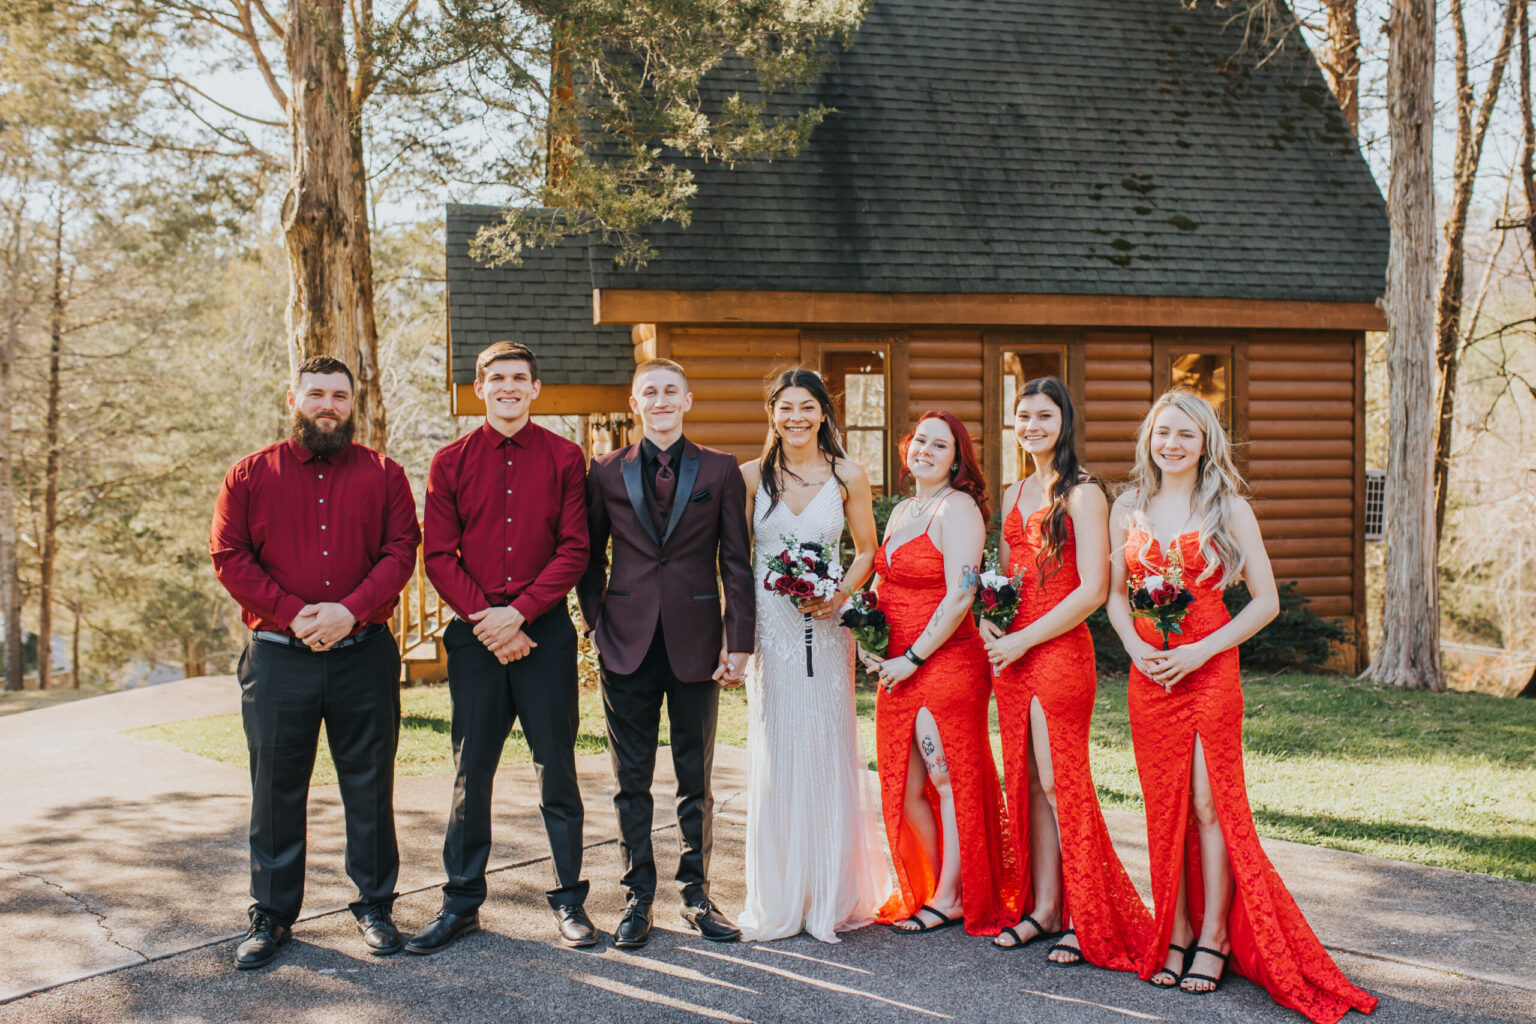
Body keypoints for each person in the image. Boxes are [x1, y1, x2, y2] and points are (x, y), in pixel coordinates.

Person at [1106, 389, 1377, 1022]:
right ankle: (1172, 931)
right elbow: (1115, 595)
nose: (1172, 444)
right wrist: (1131, 646)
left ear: (1206, 444)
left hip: (1209, 668)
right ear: (1149, 437)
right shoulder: (1128, 507)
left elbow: (1265, 601)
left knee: (1209, 804)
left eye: (1186, 435)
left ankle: (1215, 937)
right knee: (1162, 803)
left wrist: (1200, 652)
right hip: (1150, 672)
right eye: (1163, 433)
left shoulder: (1228, 508)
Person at [210, 355, 419, 969]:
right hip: (278, 659)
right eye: (316, 394)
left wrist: (349, 612)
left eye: (339, 396)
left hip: (363, 656)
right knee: (274, 789)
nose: (327, 405)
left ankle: (375, 905)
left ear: (353, 404)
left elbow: (400, 553)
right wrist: (295, 612)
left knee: (370, 784)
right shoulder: (248, 476)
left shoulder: (385, 475)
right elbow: (229, 555)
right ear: (293, 399)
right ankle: (272, 916)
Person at [408, 341, 591, 954]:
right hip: (474, 637)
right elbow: (437, 555)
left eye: (520, 379)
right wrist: (488, 620)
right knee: (471, 768)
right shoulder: (449, 461)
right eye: (497, 378)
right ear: (479, 388)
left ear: (535, 389)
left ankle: (570, 900)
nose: (509, 387)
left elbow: (575, 548)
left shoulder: (567, 457)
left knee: (556, 766)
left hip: (544, 633)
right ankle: (461, 903)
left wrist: (518, 614)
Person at [576, 358, 755, 949]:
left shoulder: (721, 470)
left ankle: (697, 893)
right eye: (649, 391)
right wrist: (597, 624)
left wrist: (739, 642)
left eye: (670, 391)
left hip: (696, 642)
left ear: (687, 399)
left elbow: (735, 561)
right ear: (635, 403)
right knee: (631, 779)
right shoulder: (603, 471)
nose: (660, 400)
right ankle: (637, 895)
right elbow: (589, 556)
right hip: (624, 642)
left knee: (693, 777)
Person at [982, 377, 1154, 969]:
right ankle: (1046, 909)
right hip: (1011, 654)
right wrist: (990, 622)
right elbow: (1002, 581)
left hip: (1057, 651)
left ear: (1065, 422)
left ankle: (1088, 917)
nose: (1032, 426)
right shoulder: (1012, 492)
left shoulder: (1083, 494)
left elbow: (1092, 589)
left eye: (1044, 416)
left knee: (1061, 783)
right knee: (1025, 782)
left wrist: (1025, 637)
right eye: (1022, 416)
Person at [736, 369, 888, 943]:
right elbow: (736, 553)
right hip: (771, 630)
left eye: (808, 407)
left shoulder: (848, 474)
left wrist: (838, 596)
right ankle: (780, 894)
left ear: (824, 412)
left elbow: (867, 550)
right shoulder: (751, 476)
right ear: (772, 413)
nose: (796, 417)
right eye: (786, 407)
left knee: (826, 744)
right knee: (777, 746)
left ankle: (827, 892)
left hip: (827, 631)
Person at [862, 411, 1021, 936]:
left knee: (946, 778)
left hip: (945, 660)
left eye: (941, 445)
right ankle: (929, 886)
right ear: (907, 447)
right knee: (905, 787)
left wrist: (912, 657)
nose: (926, 451)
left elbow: (961, 593)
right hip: (898, 662)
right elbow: (888, 586)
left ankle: (954, 895)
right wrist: (873, 641)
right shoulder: (905, 509)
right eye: (920, 441)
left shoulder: (960, 510)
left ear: (957, 460)